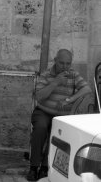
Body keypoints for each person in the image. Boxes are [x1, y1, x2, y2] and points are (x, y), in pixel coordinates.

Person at [27, 49, 92, 181]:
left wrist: (69, 100)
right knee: (40, 129)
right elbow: (39, 97)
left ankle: (45, 168)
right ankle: (33, 167)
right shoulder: (46, 75)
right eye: (62, 63)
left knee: (56, 134)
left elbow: (87, 89)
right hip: (43, 111)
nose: (65, 66)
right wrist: (55, 82)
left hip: (62, 116)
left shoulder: (73, 75)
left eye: (68, 63)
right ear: (55, 61)